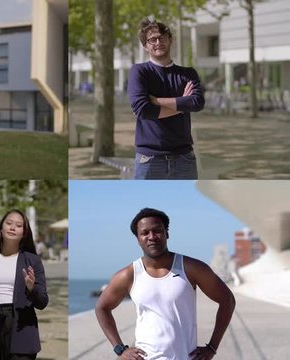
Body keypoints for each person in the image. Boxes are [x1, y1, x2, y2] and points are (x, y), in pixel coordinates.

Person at [95, 208, 235, 360]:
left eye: (157, 231)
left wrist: (212, 347)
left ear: (167, 233)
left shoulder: (191, 268)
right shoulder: (128, 275)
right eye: (145, 233)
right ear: (138, 239)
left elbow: (227, 300)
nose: (152, 237)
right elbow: (102, 308)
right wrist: (120, 349)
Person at [127, 18, 205, 179]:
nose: (158, 42)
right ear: (145, 46)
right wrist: (182, 103)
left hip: (185, 158)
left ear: (170, 40)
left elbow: (197, 103)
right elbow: (143, 109)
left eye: (162, 37)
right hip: (149, 159)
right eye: (152, 39)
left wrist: (156, 101)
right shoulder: (139, 71)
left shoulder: (188, 73)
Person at [0, 210, 48, 359]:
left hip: (22, 330)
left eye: (18, 225)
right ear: (1, 228)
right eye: (9, 223)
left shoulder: (33, 260)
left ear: (24, 233)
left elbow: (43, 302)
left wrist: (32, 288)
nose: (13, 228)